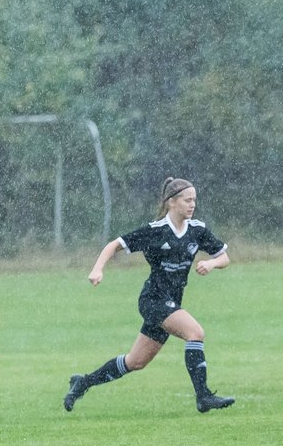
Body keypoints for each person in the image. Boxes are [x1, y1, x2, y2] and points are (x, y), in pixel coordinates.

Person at [63, 177, 235, 414]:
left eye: (194, 200)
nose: (192, 204)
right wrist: (97, 269)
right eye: (187, 200)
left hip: (171, 303)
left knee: (135, 362)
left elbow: (224, 257)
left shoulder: (197, 230)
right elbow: (115, 245)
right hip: (153, 300)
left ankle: (82, 383)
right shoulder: (155, 232)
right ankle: (203, 397)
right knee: (195, 333)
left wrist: (212, 264)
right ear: (171, 202)